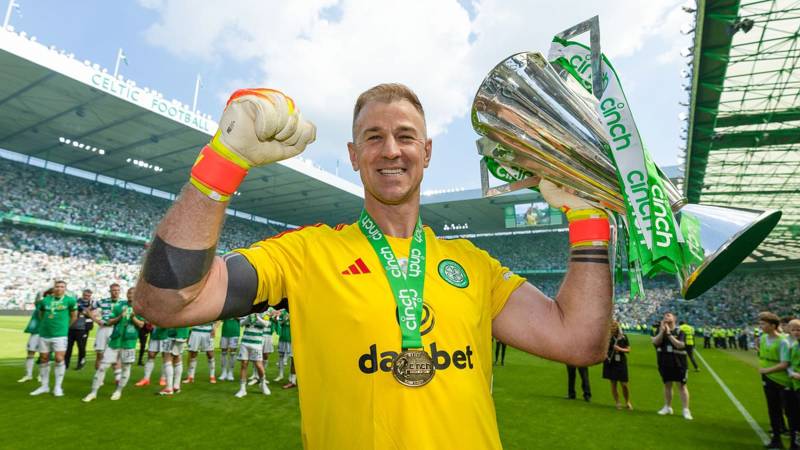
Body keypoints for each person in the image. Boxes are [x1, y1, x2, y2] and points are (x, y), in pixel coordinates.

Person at [134, 84, 613, 449]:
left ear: (426, 153)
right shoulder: (306, 254)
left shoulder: (475, 264)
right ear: (353, 155)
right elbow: (166, 302)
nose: (390, 150)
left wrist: (588, 218)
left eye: (406, 137)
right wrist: (223, 162)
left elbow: (579, 341)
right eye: (373, 137)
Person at [83, 288, 144, 402]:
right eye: (129, 293)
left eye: (133, 293)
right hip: (115, 341)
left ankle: (118, 391)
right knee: (102, 367)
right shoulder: (119, 306)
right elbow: (110, 321)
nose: (131, 295)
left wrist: (133, 317)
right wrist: (120, 316)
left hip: (129, 343)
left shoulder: (140, 308)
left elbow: (141, 325)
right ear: (126, 295)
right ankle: (93, 392)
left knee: (126, 368)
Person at [30, 280, 77, 397]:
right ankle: (44, 386)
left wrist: (65, 327)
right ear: (54, 288)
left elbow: (74, 316)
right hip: (44, 334)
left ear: (65, 289)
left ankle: (57, 387)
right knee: (44, 358)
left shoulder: (70, 300)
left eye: (62, 287)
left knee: (59, 358)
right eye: (57, 286)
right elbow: (40, 314)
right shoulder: (45, 300)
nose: (59, 288)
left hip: (60, 335)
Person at [759, 311, 794, 449]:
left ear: (773, 325)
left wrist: (766, 370)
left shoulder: (783, 341)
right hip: (768, 378)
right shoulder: (763, 338)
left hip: (782, 380)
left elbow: (785, 363)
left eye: (763, 324)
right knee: (773, 410)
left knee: (789, 411)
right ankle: (776, 439)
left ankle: (794, 441)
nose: (760, 326)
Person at [652, 312, 692, 420]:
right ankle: (667, 407)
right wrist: (661, 332)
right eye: (664, 316)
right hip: (664, 362)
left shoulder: (680, 331)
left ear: (674, 318)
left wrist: (669, 334)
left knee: (682, 386)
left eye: (668, 315)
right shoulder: (660, 330)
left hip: (679, 363)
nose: (665, 317)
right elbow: (655, 342)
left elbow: (680, 345)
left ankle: (686, 409)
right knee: (667, 385)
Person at [18, 287, 51, 383]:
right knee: (30, 353)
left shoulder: (53, 306)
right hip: (36, 332)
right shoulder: (40, 304)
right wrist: (48, 287)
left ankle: (41, 375)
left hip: (46, 333)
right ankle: (28, 375)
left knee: (44, 355)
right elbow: (38, 296)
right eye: (47, 295)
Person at [236, 313, 271, 397]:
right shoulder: (247, 310)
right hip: (245, 342)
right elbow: (241, 323)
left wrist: (257, 317)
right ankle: (242, 389)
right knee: (244, 364)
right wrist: (248, 317)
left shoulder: (265, 312)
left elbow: (266, 324)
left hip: (257, 343)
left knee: (259, 365)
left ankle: (263, 384)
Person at [92, 283, 122, 371]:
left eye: (117, 290)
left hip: (116, 329)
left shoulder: (123, 303)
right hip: (103, 329)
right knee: (100, 354)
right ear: (110, 291)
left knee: (116, 355)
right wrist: (96, 320)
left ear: (120, 291)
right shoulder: (102, 301)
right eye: (113, 290)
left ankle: (117, 378)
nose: (116, 292)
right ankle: (98, 378)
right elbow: (88, 310)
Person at [603, 321, 631, 410]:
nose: (613, 329)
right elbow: (602, 349)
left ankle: (627, 401)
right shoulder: (607, 337)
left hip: (621, 362)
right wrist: (605, 354)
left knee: (624, 384)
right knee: (613, 383)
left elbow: (628, 350)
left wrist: (620, 349)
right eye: (611, 327)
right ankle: (617, 402)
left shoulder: (623, 337)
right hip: (610, 362)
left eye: (615, 327)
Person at [65, 289, 93, 369]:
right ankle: (66, 364)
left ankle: (80, 363)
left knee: (81, 347)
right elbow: (73, 311)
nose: (86, 297)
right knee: (68, 347)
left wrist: (85, 312)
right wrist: (85, 311)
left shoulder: (92, 303)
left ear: (90, 296)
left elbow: (93, 313)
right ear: (82, 294)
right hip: (72, 327)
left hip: (83, 328)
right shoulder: (76, 301)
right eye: (85, 295)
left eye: (88, 296)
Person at [159, 326, 189, 395]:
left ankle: (169, 388)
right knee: (177, 358)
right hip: (183, 333)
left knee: (167, 358)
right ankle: (176, 386)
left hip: (174, 334)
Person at [786, 319, 800, 450]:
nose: (796, 332)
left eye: (799, 330)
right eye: (793, 330)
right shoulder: (795, 346)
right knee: (793, 416)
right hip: (795, 386)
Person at [219, 317, 241, 381]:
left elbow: (243, 319)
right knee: (223, 352)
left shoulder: (239, 308)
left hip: (235, 331)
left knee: (232, 353)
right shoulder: (226, 307)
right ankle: (224, 372)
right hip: (225, 331)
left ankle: (230, 372)